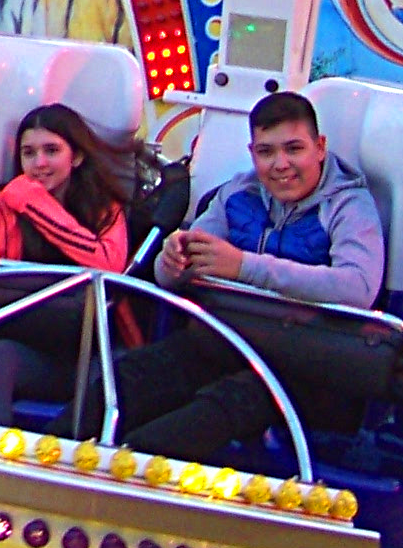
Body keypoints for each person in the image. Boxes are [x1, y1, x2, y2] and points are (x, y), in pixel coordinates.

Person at [96, 89, 385, 463]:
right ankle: (52, 462)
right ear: (252, 153)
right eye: (266, 152)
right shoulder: (236, 192)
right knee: (123, 381)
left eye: (293, 149)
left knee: (204, 416)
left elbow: (358, 288)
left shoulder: (349, 205)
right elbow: (173, 275)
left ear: (320, 148)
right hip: (229, 341)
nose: (280, 164)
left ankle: (126, 475)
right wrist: (172, 261)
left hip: (308, 364)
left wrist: (244, 267)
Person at [0, 104, 140, 424]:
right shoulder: (6, 201)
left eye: (51, 151)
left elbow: (107, 263)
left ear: (76, 157)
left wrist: (36, 204)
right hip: (17, 335)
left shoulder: (103, 209)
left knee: (5, 358)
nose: (39, 163)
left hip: (80, 350)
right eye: (29, 153)